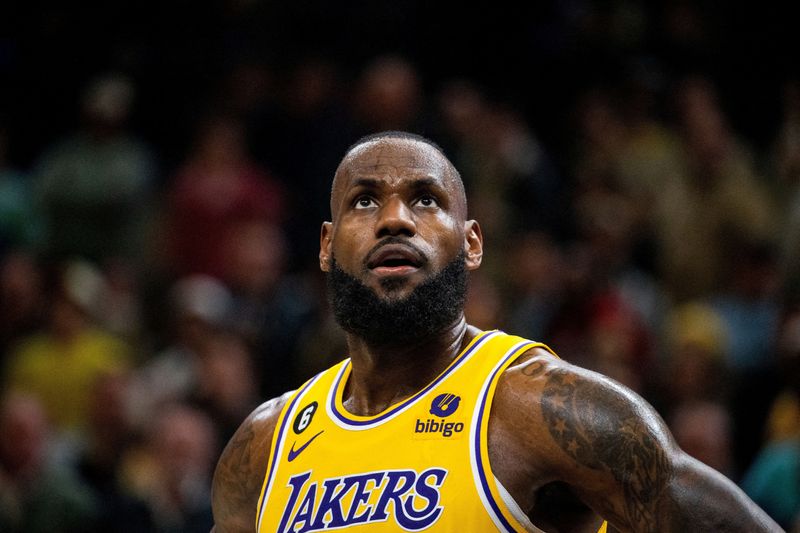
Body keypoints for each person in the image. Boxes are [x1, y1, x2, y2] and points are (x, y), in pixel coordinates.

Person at [210, 131, 780, 532]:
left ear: (473, 243)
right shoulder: (263, 446)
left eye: (425, 199)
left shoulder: (542, 408)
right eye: (365, 201)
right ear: (327, 246)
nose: (395, 219)